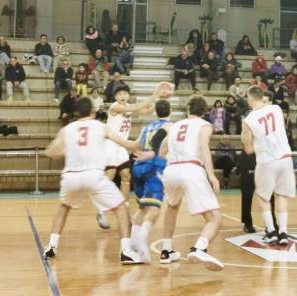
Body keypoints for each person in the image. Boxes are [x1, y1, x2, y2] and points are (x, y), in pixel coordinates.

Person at [42, 97, 145, 263]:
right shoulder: (101, 126)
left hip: (71, 176)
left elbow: (51, 152)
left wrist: (70, 150)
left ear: (76, 112)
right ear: (94, 110)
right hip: (93, 175)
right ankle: (126, 251)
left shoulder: (67, 129)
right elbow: (128, 144)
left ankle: (51, 247)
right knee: (121, 208)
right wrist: (141, 138)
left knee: (63, 208)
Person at [158, 95, 223, 270]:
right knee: (215, 218)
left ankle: (166, 251)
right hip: (191, 169)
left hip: (171, 170)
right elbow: (203, 148)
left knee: (172, 207)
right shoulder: (205, 125)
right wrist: (211, 174)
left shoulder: (174, 126)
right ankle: (199, 248)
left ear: (188, 109)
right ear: (205, 112)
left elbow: (162, 151)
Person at [95, 84, 159, 230]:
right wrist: (154, 95)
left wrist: (157, 104)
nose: (123, 96)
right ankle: (100, 210)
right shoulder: (115, 107)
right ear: (116, 97)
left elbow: (146, 112)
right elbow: (137, 108)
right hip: (111, 144)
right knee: (109, 176)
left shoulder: (128, 106)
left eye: (125, 93)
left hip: (122, 146)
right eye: (120, 94)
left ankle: (125, 210)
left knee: (126, 176)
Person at [241, 86, 296, 244]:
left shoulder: (248, 120)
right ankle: (284, 233)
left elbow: (249, 149)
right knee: (281, 195)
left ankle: (271, 231)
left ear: (250, 99)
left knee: (263, 197)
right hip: (285, 157)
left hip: (266, 160)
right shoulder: (277, 109)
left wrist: (246, 137)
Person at [128, 99, 174, 262]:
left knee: (142, 207)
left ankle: (133, 246)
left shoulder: (146, 127)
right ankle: (142, 237)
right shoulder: (169, 126)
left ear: (155, 111)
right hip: (154, 166)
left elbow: (134, 145)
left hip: (138, 167)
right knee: (154, 208)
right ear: (170, 111)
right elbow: (160, 145)